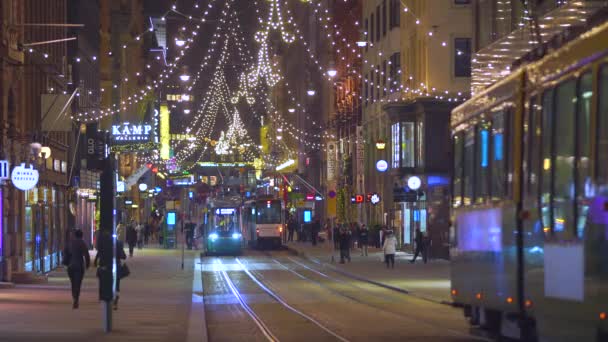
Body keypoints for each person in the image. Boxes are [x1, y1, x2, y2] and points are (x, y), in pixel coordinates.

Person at [95, 228, 127, 310]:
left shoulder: (104, 244)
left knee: (105, 282)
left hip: (106, 267)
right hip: (116, 266)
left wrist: (96, 262)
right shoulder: (119, 244)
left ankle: (105, 298)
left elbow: (99, 254)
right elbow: (123, 256)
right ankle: (115, 301)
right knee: (117, 285)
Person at [64, 229, 90, 309]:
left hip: (71, 266)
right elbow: (86, 255)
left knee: (73, 283)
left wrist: (66, 262)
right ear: (82, 236)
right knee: (78, 283)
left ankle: (74, 297)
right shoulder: (82, 243)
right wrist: (87, 265)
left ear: (75, 235)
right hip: (79, 266)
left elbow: (65, 252)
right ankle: (76, 298)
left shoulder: (70, 243)